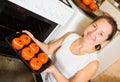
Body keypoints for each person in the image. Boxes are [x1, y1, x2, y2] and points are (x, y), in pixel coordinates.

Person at [23, 15, 117, 82]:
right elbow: (48, 49)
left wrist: (54, 71)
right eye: (94, 26)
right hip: (40, 75)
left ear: (104, 41)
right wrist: (33, 39)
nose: (93, 33)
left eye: (101, 34)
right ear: (90, 24)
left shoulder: (92, 63)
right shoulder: (71, 36)